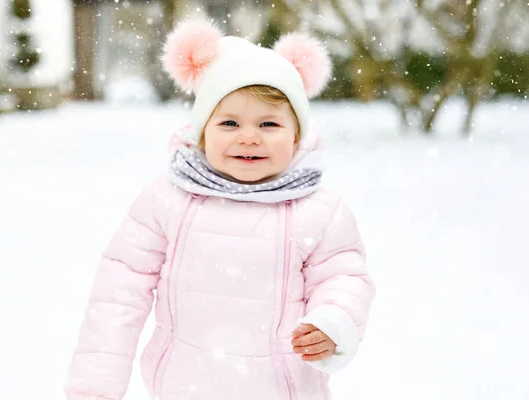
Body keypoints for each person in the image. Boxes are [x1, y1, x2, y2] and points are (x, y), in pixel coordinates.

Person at [65, 18, 375, 400]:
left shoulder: (319, 211)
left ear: (296, 135)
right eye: (229, 122)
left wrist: (334, 322)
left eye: (269, 123)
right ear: (202, 132)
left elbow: (343, 277)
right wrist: (95, 387)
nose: (249, 136)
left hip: (284, 390)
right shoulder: (167, 200)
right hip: (183, 387)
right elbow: (119, 292)